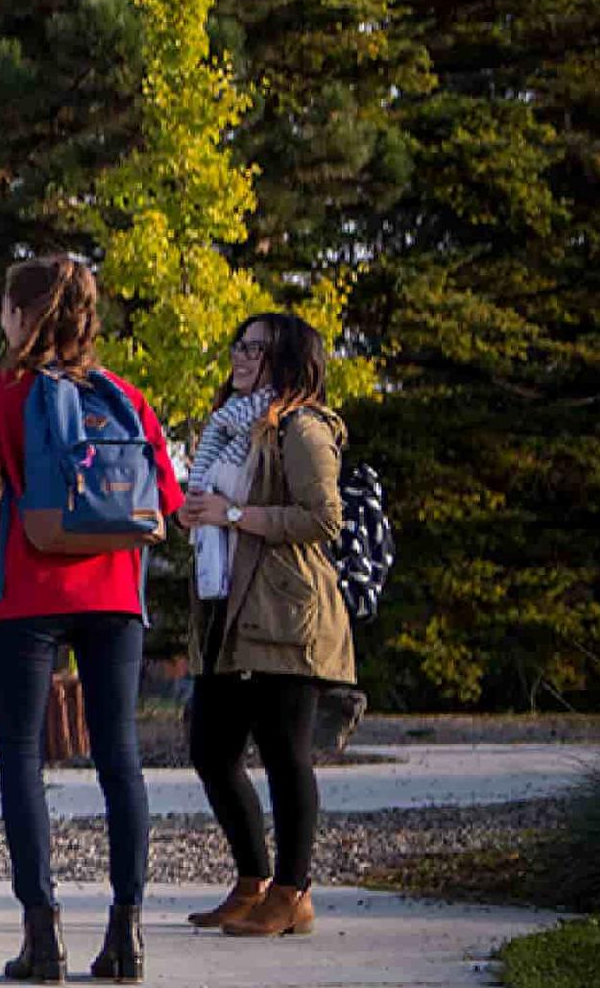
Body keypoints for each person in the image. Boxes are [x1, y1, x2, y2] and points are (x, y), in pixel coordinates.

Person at [0, 255, 182, 984]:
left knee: (21, 755)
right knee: (120, 757)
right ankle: (127, 934)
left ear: (22, 315)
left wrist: (7, 553)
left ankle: (42, 935)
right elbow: (167, 497)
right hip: (115, 595)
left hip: (31, 593)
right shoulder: (122, 393)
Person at [174, 312, 351, 939]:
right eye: (239, 345)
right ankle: (253, 881)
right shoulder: (228, 428)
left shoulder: (302, 428)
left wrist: (234, 514)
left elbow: (323, 519)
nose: (241, 357)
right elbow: (219, 508)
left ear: (288, 360)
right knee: (211, 750)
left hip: (285, 611)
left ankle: (293, 891)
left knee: (284, 753)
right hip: (229, 609)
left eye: (257, 348)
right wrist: (198, 514)